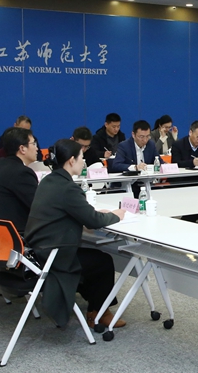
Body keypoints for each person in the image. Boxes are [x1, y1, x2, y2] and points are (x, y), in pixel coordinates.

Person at [25, 139, 127, 329]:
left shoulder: (49, 180)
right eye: (81, 158)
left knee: (91, 258)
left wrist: (92, 214)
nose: (83, 162)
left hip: (39, 250)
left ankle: (96, 307)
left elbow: (76, 211)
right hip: (55, 255)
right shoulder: (68, 188)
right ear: (71, 160)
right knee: (103, 261)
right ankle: (99, 312)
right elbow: (93, 221)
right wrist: (116, 215)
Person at [171, 120, 198, 222]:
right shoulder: (178, 145)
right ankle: (187, 221)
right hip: (181, 180)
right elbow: (175, 163)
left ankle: (187, 220)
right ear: (190, 133)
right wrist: (191, 163)